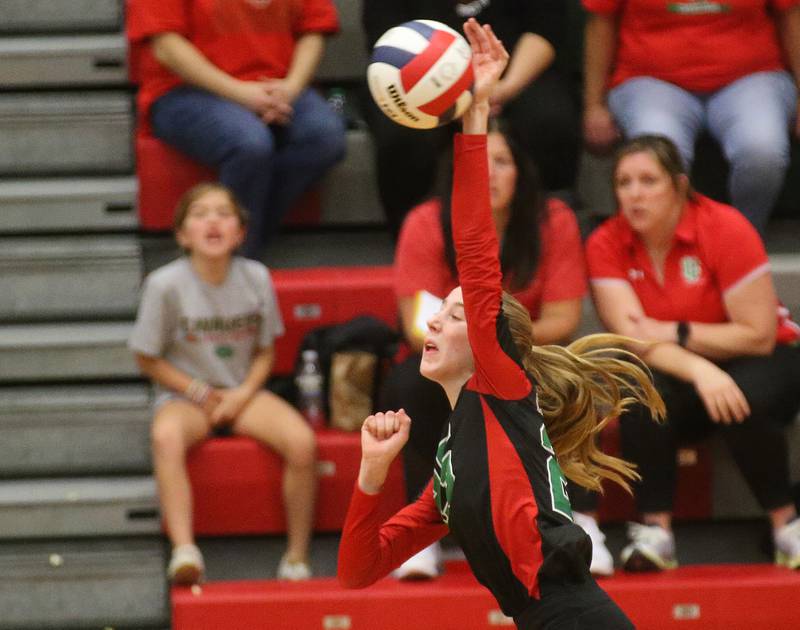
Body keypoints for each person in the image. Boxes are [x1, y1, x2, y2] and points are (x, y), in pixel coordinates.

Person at [338, 21, 666, 628]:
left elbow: (474, 243)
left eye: (457, 312)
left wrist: (476, 111)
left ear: (494, 342)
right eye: (440, 310)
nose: (435, 320)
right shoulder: (447, 466)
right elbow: (358, 570)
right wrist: (371, 472)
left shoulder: (501, 388)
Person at [582, 134, 800, 572]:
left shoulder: (724, 227)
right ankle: (655, 533)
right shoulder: (606, 242)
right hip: (681, 369)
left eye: (649, 180)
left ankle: (787, 525)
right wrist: (702, 369)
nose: (635, 194)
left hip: (770, 355)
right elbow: (632, 338)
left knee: (742, 396)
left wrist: (677, 332)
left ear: (679, 186)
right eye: (624, 183)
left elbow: (757, 334)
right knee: (639, 390)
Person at [383, 121, 590, 579]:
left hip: (528, 354)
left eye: (501, 162)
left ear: (521, 172)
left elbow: (563, 319)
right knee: (408, 383)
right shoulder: (426, 222)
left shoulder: (553, 220)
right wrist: (479, 356)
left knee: (564, 381)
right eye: (477, 164)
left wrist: (497, 356)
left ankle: (577, 516)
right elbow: (419, 325)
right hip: (451, 360)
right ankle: (423, 534)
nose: (489, 174)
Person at [129, 183, 317, 584]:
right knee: (166, 437)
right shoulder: (164, 285)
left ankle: (297, 557)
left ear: (240, 232)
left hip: (240, 392)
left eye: (223, 213)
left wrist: (243, 393)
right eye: (199, 214)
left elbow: (266, 351)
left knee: (303, 443)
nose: (212, 221)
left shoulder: (256, 277)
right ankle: (184, 549)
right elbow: (146, 357)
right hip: (187, 395)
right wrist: (197, 391)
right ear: (182, 235)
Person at [126, 0, 347, 259]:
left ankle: (237, 243)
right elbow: (166, 48)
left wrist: (291, 88)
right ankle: (234, 260)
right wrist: (240, 93)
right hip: (184, 89)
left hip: (276, 83)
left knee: (324, 138)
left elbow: (313, 30)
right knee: (249, 143)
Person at [362, 0, 580, 238]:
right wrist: (456, 96)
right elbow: (387, 42)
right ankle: (416, 241)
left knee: (549, 120)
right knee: (403, 136)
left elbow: (546, 29)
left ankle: (546, 238)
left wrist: (506, 87)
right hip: (420, 78)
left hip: (518, 72)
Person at [582, 0, 800, 233]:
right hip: (650, 80)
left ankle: (742, 240)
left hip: (752, 77)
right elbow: (600, 24)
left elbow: (791, 16)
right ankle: (674, 245)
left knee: (761, 150)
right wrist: (594, 105)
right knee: (659, 155)